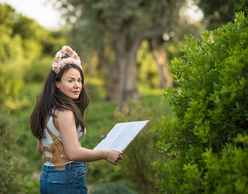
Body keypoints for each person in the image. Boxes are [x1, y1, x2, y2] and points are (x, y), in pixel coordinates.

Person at [29, 45, 123, 194]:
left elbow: (41, 148)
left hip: (47, 176)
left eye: (79, 80)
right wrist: (105, 154)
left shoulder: (47, 109)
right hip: (66, 178)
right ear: (57, 83)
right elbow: (73, 153)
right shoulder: (65, 112)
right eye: (71, 81)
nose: (77, 85)